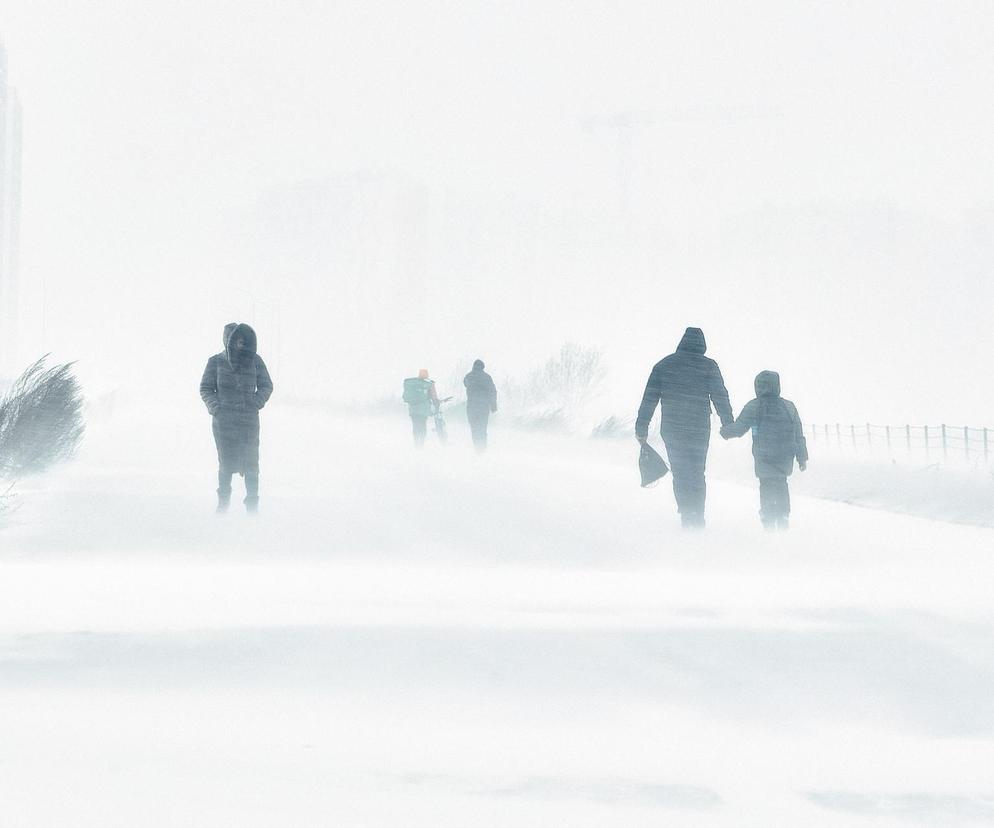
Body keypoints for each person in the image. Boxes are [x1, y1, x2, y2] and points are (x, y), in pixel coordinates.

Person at [635, 327, 733, 528]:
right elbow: (720, 396)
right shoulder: (708, 366)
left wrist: (641, 426)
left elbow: (649, 399)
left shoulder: (664, 365)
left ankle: (686, 512)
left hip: (673, 429)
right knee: (697, 472)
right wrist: (728, 422)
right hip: (698, 429)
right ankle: (697, 514)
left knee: (680, 472)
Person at [199, 322, 274, 514]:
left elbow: (266, 385)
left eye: (243, 341)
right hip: (223, 423)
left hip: (248, 422)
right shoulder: (215, 362)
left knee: (251, 463)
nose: (241, 344)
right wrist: (215, 407)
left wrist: (256, 402)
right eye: (237, 341)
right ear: (228, 341)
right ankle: (223, 504)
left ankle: (252, 507)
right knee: (226, 463)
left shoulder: (255, 361)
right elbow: (206, 388)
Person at [720, 370, 808, 530]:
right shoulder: (789, 406)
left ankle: (768, 521)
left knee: (766, 485)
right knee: (781, 483)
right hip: (785, 456)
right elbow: (798, 434)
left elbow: (739, 429)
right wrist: (802, 457)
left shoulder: (754, 405)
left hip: (764, 456)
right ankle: (783, 518)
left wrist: (725, 431)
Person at [463, 359, 497, 451]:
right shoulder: (487, 377)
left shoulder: (468, 376)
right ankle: (482, 448)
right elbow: (493, 391)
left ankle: (476, 447)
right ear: (483, 367)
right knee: (482, 427)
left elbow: (465, 384)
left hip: (471, 407)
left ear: (473, 366)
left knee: (474, 428)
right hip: (484, 407)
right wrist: (493, 406)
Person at [403, 368, 438, 447]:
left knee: (415, 425)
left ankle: (416, 443)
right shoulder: (429, 384)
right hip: (423, 410)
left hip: (413, 410)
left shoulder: (412, 383)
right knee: (422, 425)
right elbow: (434, 397)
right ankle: (421, 444)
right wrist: (436, 403)